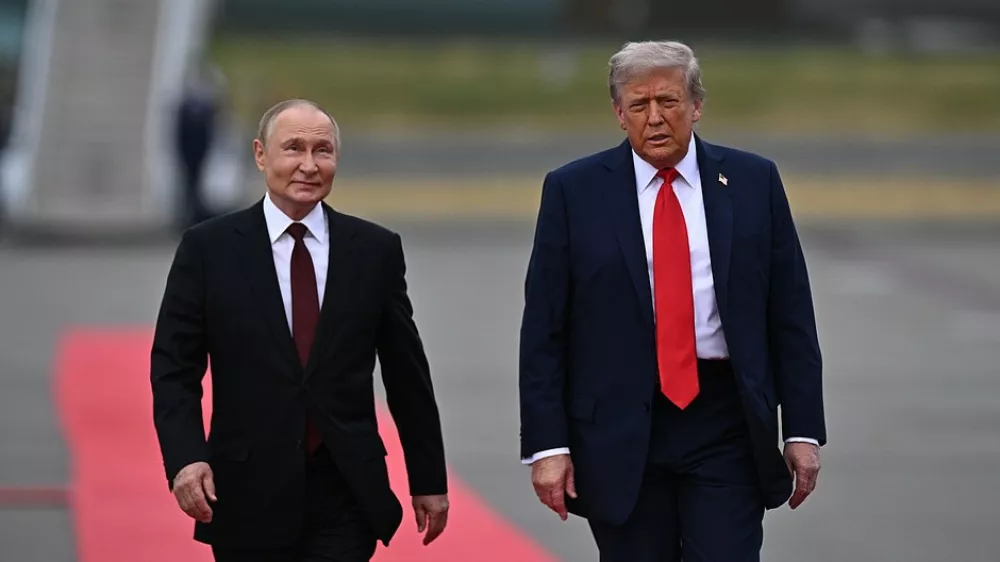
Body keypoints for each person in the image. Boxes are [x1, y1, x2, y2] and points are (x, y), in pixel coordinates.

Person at [518, 41, 825, 561]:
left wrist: (801, 429)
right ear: (619, 114)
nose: (655, 118)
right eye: (639, 105)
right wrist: (549, 447)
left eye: (669, 101)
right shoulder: (574, 191)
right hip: (619, 424)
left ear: (697, 105)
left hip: (724, 419)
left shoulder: (753, 182)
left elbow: (790, 314)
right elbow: (545, 328)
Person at [151, 99, 449, 562]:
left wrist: (428, 478)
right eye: (293, 148)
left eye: (323, 151)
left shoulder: (374, 251)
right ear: (260, 154)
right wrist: (186, 458)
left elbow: (406, 374)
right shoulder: (207, 249)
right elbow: (174, 368)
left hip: (345, 486)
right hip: (245, 488)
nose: (309, 165)